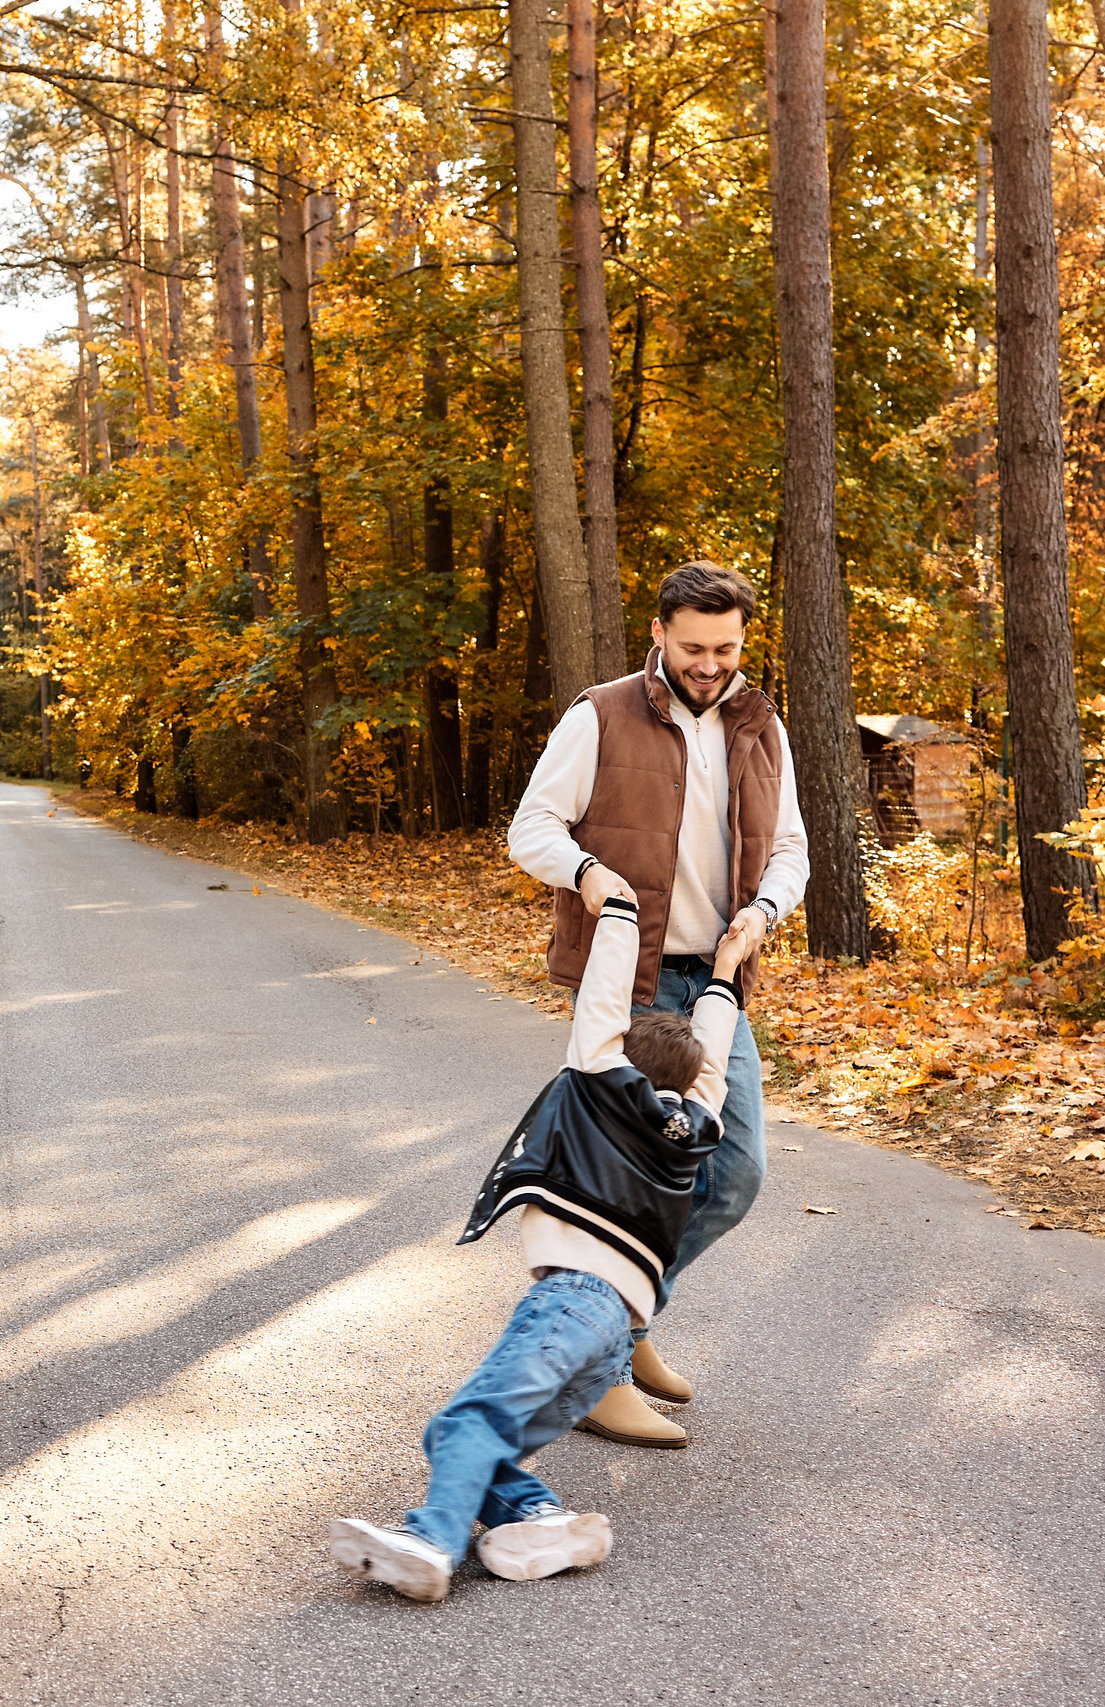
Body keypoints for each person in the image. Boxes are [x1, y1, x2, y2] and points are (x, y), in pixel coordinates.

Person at [328, 890, 751, 1601]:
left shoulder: (600, 1082)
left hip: (571, 1301)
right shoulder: (697, 1127)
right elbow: (710, 1064)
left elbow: (603, 1003)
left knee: (469, 1421)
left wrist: (618, 910)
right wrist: (726, 972)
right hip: (614, 1335)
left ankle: (431, 1543)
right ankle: (542, 1520)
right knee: (472, 1438)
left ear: (616, 1055)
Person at [505, 561, 807, 1448]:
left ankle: (624, 1320)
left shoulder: (761, 726)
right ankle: (595, 1375)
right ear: (659, 633)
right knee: (625, 1186)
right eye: (694, 647)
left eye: (726, 648)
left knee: (734, 1169)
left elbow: (790, 847)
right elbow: (532, 827)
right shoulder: (600, 714)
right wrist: (588, 873)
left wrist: (764, 911)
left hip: (719, 978)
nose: (710, 664)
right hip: (628, 982)